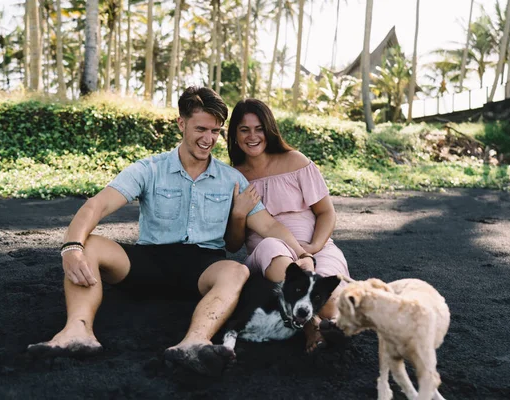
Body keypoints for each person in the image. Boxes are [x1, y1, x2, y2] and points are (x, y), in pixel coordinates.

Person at [27, 87, 314, 376]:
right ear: (181, 123)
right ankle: (78, 332)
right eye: (201, 128)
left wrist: (301, 253)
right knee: (88, 245)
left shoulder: (232, 179)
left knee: (236, 271)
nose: (208, 139)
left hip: (202, 267)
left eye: (215, 131)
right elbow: (97, 206)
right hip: (149, 260)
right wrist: (71, 246)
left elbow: (270, 225)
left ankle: (195, 342)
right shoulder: (149, 168)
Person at [225, 98, 351, 353]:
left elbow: (326, 212)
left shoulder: (295, 161)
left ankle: (335, 323)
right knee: (274, 246)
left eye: (259, 128)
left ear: (269, 130)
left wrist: (314, 246)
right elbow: (233, 243)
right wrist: (238, 214)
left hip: (315, 247)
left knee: (329, 298)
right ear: (234, 135)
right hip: (268, 255)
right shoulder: (233, 176)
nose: (252, 136)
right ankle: (312, 326)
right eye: (244, 129)